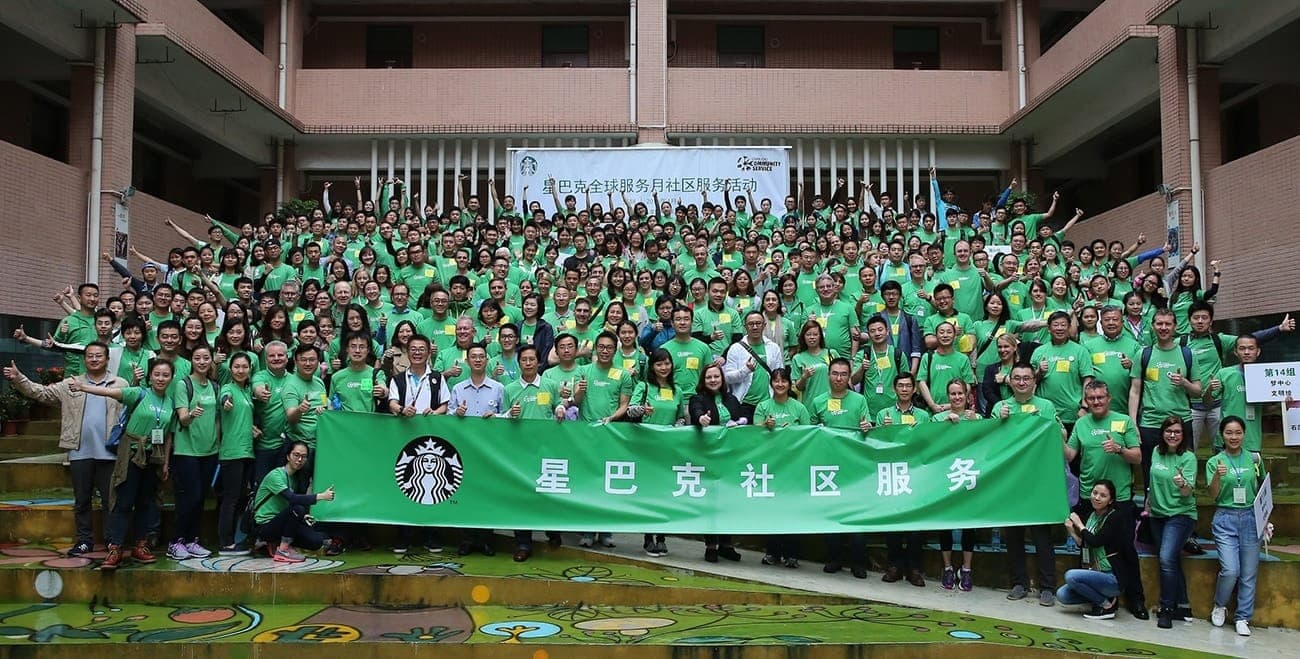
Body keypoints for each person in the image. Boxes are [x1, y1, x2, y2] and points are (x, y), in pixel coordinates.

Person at [3, 344, 126, 557]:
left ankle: (111, 541)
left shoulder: (120, 384)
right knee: (82, 501)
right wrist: (19, 378)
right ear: (84, 359)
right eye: (90, 356)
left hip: (110, 453)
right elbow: (41, 393)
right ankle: (84, 541)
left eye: (99, 356)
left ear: (107, 359)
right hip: (79, 452)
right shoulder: (70, 383)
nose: (94, 359)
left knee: (111, 502)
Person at [69, 358, 176, 570]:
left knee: (146, 503)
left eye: (166, 375)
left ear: (171, 378)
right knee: (123, 502)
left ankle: (140, 546)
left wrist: (165, 462)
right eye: (157, 374)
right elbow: (109, 393)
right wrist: (83, 387)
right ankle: (115, 548)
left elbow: (168, 435)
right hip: (131, 455)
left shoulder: (171, 402)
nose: (161, 378)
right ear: (150, 376)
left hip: (152, 458)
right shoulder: (139, 393)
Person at [990, 362, 1061, 606]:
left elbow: (1055, 438)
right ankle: (1019, 583)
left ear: (1034, 381)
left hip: (1039, 481)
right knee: (1014, 537)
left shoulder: (1047, 406)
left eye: (1026, 378)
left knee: (1042, 538)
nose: (1021, 382)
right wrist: (998, 423)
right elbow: (991, 444)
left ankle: (1048, 586)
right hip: (1012, 483)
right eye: (1017, 378)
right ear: (1009, 381)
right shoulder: (1000, 407)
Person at [1206, 416, 1263, 637]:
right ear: (1222, 435)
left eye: (1238, 432)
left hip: (1250, 517)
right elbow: (1212, 495)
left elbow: (1261, 490)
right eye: (1229, 433)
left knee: (1249, 573)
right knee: (1231, 570)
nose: (1234, 437)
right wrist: (1217, 478)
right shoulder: (1215, 461)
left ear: (1244, 434)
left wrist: (1264, 519)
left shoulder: (1254, 459)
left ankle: (1242, 617)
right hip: (1225, 517)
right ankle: (1220, 605)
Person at [1058, 480, 1142, 621]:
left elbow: (1096, 541)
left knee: (1071, 576)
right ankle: (1103, 599)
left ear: (1110, 501)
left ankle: (1106, 606)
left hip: (1111, 577)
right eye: (1095, 493)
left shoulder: (1115, 517)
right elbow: (1084, 543)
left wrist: (1079, 524)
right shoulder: (1092, 515)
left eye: (1103, 495)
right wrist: (1072, 531)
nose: (1097, 498)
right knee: (1062, 595)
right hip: (1094, 573)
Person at [874, 372, 930, 587]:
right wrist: (884, 430)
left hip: (916, 474)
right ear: (894, 389)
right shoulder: (883, 414)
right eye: (901, 386)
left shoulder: (924, 416)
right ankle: (895, 566)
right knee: (893, 523)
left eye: (908, 386)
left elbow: (929, 443)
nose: (905, 389)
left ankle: (914, 568)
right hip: (892, 472)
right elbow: (876, 444)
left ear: (914, 389)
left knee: (917, 526)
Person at [753, 367, 808, 568]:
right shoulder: (763, 406)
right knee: (772, 511)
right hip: (770, 467)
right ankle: (772, 552)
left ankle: (792, 554)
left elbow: (807, 436)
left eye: (784, 381)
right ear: (771, 384)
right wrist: (764, 427)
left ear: (789, 383)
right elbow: (753, 435)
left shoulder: (799, 408)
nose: (780, 384)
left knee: (793, 510)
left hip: (793, 467)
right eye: (776, 381)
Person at [689, 363, 744, 563]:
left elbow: (740, 419)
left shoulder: (732, 399)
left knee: (729, 501)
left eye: (716, 377)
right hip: (708, 457)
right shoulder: (698, 399)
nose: (713, 380)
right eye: (709, 377)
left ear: (722, 379)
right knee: (711, 502)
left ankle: (727, 544)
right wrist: (701, 419)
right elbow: (696, 413)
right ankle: (711, 545)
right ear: (703, 381)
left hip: (730, 458)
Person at [1147, 417, 1198, 629]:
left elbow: (1188, 492)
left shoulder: (1188, 458)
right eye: (1169, 431)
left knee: (1166, 560)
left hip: (1181, 514)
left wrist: (1182, 483)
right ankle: (1183, 605)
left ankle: (1166, 609)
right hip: (1157, 515)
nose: (1173, 435)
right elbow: (1152, 479)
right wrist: (1149, 501)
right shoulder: (1156, 451)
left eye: (1177, 431)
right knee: (1171, 560)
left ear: (1183, 435)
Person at [251, 440, 336, 563]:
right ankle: (282, 550)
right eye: (296, 455)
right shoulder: (276, 475)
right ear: (288, 456)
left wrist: (303, 516)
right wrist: (321, 496)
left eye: (304, 457)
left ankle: (277, 544)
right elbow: (292, 498)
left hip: (282, 524)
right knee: (298, 509)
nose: (300, 459)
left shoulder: (294, 479)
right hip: (264, 526)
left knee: (316, 541)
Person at [935, 380, 981, 592]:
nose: (956, 397)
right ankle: (947, 567)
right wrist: (943, 424)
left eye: (960, 393)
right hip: (946, 476)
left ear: (967, 395)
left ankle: (967, 569)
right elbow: (930, 443)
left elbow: (986, 443)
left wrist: (975, 424)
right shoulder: (937, 418)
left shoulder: (977, 419)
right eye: (952, 394)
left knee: (968, 524)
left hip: (969, 475)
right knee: (945, 523)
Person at [216, 353, 257, 554]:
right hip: (232, 452)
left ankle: (235, 539)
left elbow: (242, 418)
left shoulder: (247, 392)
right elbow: (225, 399)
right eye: (236, 367)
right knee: (231, 499)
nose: (241, 371)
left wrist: (252, 428)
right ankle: (225, 541)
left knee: (240, 498)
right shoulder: (228, 388)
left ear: (250, 369)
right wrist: (225, 402)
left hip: (248, 451)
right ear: (230, 369)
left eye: (244, 367)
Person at [723, 310, 784, 420]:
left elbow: (779, 374)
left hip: (768, 403)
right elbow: (727, 378)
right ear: (745, 326)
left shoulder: (773, 347)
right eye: (751, 324)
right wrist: (745, 370)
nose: (755, 327)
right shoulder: (736, 348)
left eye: (758, 323)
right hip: (744, 403)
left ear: (764, 325)